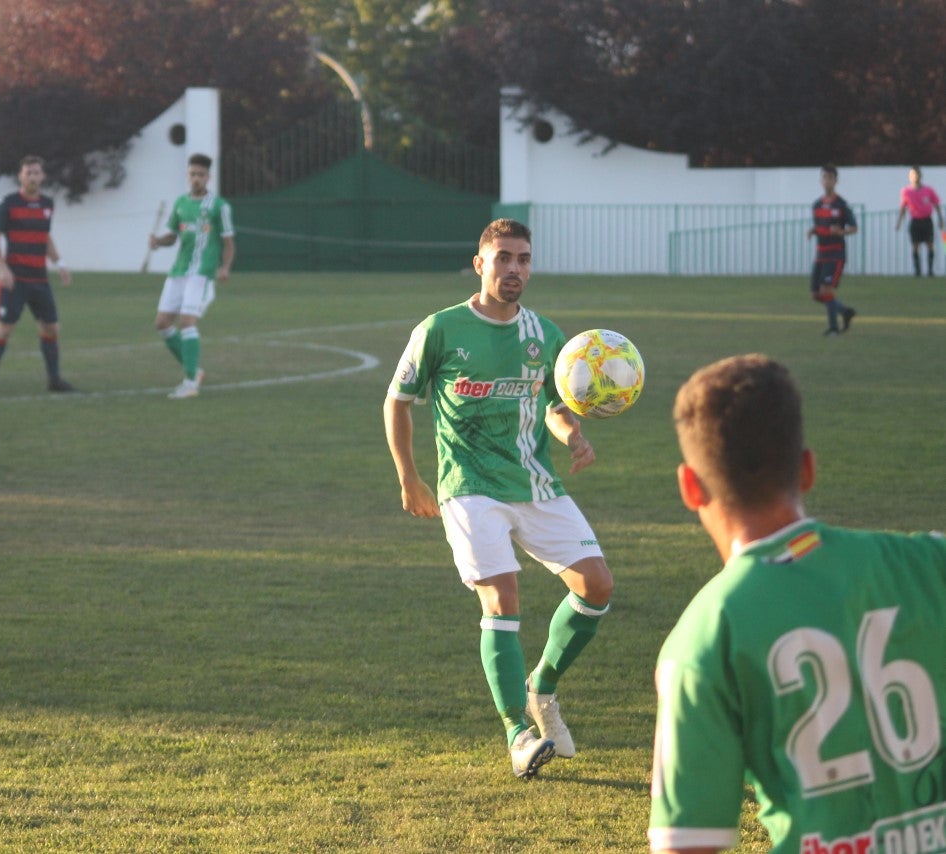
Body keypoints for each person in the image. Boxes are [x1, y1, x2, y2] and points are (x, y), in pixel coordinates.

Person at [649, 354, 946, 853]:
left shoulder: (703, 637)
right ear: (807, 468)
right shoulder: (929, 562)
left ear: (689, 486)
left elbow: (688, 845)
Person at [383, 218, 614, 780]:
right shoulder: (439, 329)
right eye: (504, 258)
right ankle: (518, 734)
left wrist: (573, 436)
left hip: (534, 481)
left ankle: (543, 689)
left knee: (597, 587)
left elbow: (556, 404)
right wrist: (410, 478)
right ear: (479, 263)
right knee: (502, 596)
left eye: (524, 259)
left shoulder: (545, 334)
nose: (515, 269)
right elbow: (398, 401)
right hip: (468, 485)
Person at [0, 154, 75, 393]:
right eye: (28, 173)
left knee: (51, 328)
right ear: (20, 176)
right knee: (4, 329)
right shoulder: (8, 204)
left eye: (36, 172)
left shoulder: (47, 204)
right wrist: (3, 269)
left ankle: (54, 380)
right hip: (15, 280)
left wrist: (60, 263)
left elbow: (45, 238)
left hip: (40, 279)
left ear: (42, 176)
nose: (33, 177)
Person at [146, 153, 235, 399]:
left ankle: (190, 383)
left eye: (201, 175)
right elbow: (172, 236)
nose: (196, 179)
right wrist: (158, 242)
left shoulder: (219, 207)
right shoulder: (180, 204)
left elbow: (229, 242)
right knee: (162, 323)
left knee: (186, 323)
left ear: (208, 177)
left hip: (202, 274)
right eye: (192, 174)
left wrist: (225, 267)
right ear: (187, 175)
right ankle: (195, 371)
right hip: (179, 271)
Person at [806, 164, 858, 336]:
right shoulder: (817, 205)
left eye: (830, 178)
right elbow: (821, 227)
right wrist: (814, 231)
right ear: (821, 181)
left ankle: (833, 328)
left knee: (826, 291)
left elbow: (854, 228)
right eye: (824, 177)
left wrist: (841, 231)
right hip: (821, 253)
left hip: (835, 254)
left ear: (836, 181)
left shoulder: (841, 204)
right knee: (815, 294)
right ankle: (844, 311)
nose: (827, 181)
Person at [894, 165, 944, 276]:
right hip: (915, 221)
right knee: (915, 246)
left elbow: (936, 204)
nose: (915, 177)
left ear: (921, 176)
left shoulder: (928, 190)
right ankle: (917, 271)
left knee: (930, 245)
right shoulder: (906, 191)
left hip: (927, 221)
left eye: (917, 174)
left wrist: (941, 219)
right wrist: (898, 222)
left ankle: (930, 271)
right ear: (910, 176)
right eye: (912, 174)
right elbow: (903, 208)